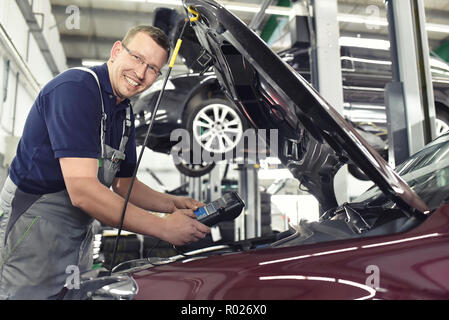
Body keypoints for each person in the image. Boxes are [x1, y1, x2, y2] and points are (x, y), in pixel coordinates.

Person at [0, 25, 210, 299]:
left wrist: (173, 203)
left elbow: (124, 184)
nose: (141, 74)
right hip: (33, 228)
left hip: (77, 233)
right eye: (137, 58)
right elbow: (84, 191)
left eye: (153, 69)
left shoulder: (123, 111)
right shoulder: (75, 90)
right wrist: (163, 228)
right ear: (116, 51)